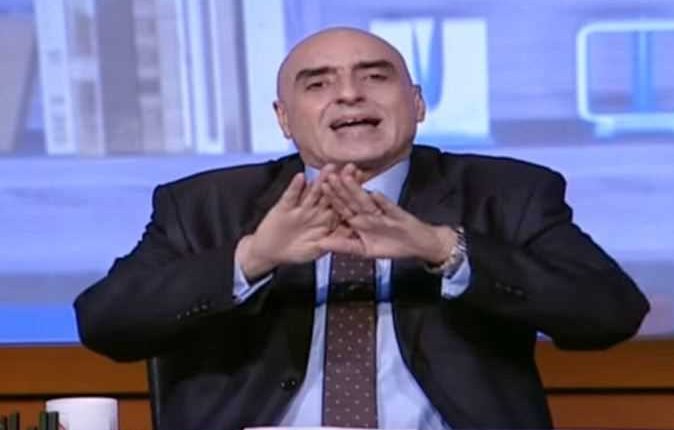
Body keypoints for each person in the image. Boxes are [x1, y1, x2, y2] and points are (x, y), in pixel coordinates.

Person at [74, 27, 649, 430]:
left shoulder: (506, 193)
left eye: (375, 77)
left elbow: (611, 312)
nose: (349, 94)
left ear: (417, 103)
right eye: (317, 84)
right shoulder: (204, 205)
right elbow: (106, 323)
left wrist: (443, 249)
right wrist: (250, 259)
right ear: (283, 118)